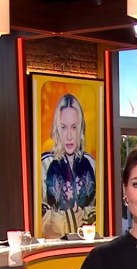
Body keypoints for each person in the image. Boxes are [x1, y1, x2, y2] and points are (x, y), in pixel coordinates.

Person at [41, 93, 97, 239]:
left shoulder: (91, 164)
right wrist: (68, 220)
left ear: (81, 128)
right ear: (57, 129)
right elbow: (40, 215)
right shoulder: (45, 164)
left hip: (87, 243)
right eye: (63, 127)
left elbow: (100, 209)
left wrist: (83, 218)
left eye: (74, 127)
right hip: (55, 246)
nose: (69, 136)